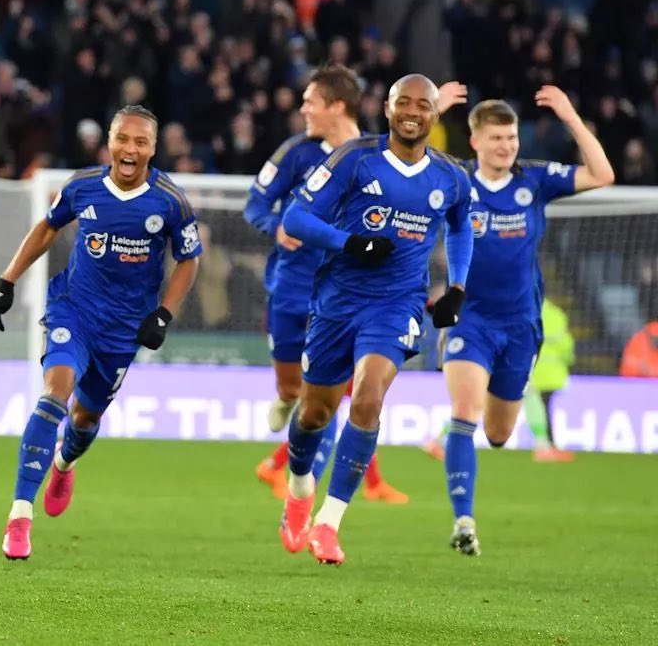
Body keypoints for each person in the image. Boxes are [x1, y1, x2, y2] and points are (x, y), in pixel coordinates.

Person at [0, 105, 201, 560]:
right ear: (109, 142)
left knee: (85, 419)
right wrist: (8, 280)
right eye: (122, 138)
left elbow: (189, 259)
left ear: (153, 149)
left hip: (123, 331)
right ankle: (20, 515)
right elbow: (47, 229)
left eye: (140, 141)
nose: (130, 149)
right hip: (74, 311)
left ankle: (63, 462)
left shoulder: (170, 200)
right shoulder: (82, 186)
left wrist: (164, 314)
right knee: (54, 393)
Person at [277, 74, 474, 565]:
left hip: (397, 305)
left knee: (368, 398)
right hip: (337, 303)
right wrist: (350, 243)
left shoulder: (451, 177)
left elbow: (460, 228)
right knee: (314, 414)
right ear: (387, 109)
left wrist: (456, 287)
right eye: (403, 102)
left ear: (434, 114)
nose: (412, 112)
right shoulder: (355, 158)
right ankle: (299, 490)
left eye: (423, 105)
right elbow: (295, 218)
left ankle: (329, 523)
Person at [439, 89, 613, 556]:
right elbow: (403, 162)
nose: (506, 146)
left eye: (511, 137)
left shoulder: (534, 179)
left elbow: (602, 174)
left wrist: (570, 116)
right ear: (475, 141)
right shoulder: (456, 180)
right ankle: (463, 520)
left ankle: (469, 499)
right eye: (496, 138)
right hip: (470, 320)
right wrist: (432, 110)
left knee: (498, 434)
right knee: (464, 412)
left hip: (520, 326)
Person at [246, 64, 425, 504]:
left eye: (310, 102)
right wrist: (275, 227)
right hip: (292, 287)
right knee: (296, 391)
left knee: (348, 391)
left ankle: (303, 489)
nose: (303, 109)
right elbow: (256, 205)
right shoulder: (296, 153)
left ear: (337, 106)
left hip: (346, 294)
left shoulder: (376, 156)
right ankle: (285, 447)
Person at [525, 297, 576, 462]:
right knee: (542, 406)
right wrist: (569, 360)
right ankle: (546, 445)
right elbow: (566, 345)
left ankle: (544, 445)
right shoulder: (555, 314)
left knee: (536, 405)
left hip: (528, 368)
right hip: (550, 373)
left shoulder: (521, 310)